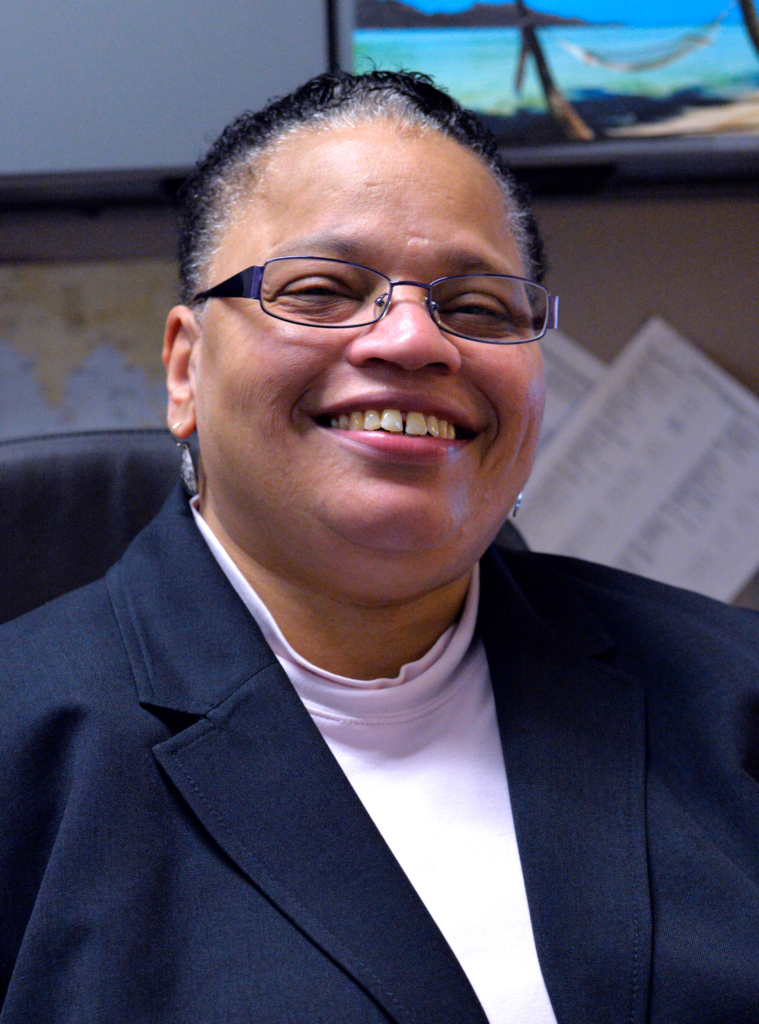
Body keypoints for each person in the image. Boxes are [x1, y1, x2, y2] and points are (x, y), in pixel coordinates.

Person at [1, 71, 758, 1024]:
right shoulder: (20, 752)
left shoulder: (733, 696)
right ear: (186, 368)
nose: (413, 340)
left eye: (478, 307)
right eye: (322, 290)